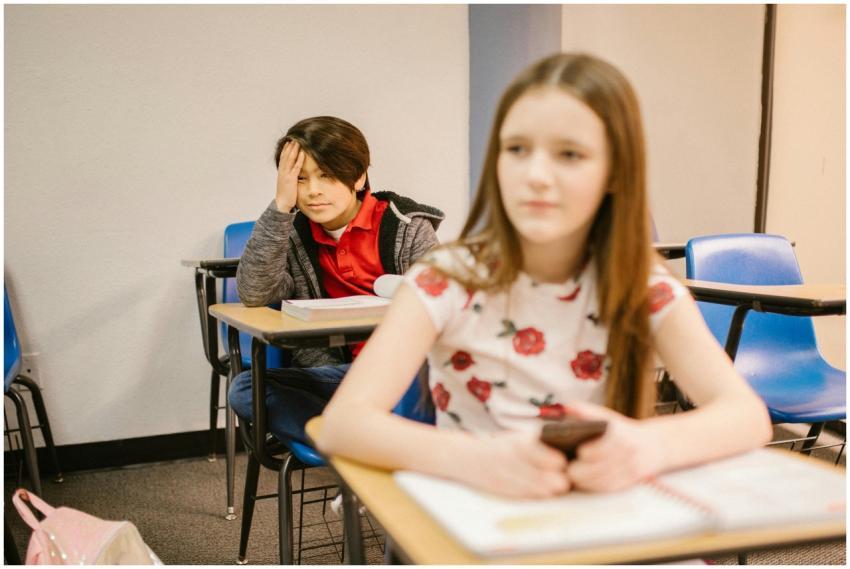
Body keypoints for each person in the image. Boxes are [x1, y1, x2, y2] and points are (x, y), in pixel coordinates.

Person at [317, 53, 772, 498]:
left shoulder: (643, 287)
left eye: (570, 154)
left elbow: (747, 417)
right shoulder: (446, 280)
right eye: (516, 149)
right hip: (490, 518)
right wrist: (475, 458)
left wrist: (651, 444)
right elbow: (344, 424)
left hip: (608, 514)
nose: (535, 174)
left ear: (616, 172)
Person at [228, 116, 444, 444]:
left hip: (404, 375)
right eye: (300, 179)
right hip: (341, 377)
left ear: (358, 177)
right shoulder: (294, 235)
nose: (313, 191)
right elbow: (255, 292)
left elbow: (440, 311)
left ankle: (357, 443)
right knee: (246, 390)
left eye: (326, 176)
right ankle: (359, 449)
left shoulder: (407, 226)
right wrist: (281, 206)